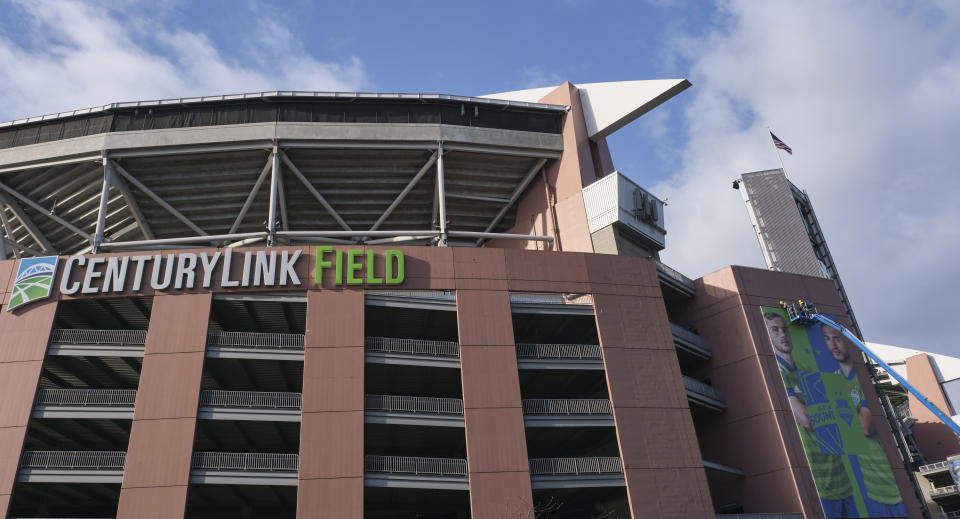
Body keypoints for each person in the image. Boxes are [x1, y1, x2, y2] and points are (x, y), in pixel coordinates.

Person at [764, 311, 855, 518]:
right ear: (767, 335)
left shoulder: (806, 368)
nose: (783, 335)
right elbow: (807, 419)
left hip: (843, 478)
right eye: (775, 330)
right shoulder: (779, 372)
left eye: (784, 329)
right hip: (821, 485)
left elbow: (846, 414)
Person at [824, 325, 907, 517]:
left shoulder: (856, 379)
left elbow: (864, 428)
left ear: (845, 340)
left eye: (836, 338)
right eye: (827, 339)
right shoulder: (834, 380)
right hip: (863, 486)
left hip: (886, 484)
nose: (833, 345)